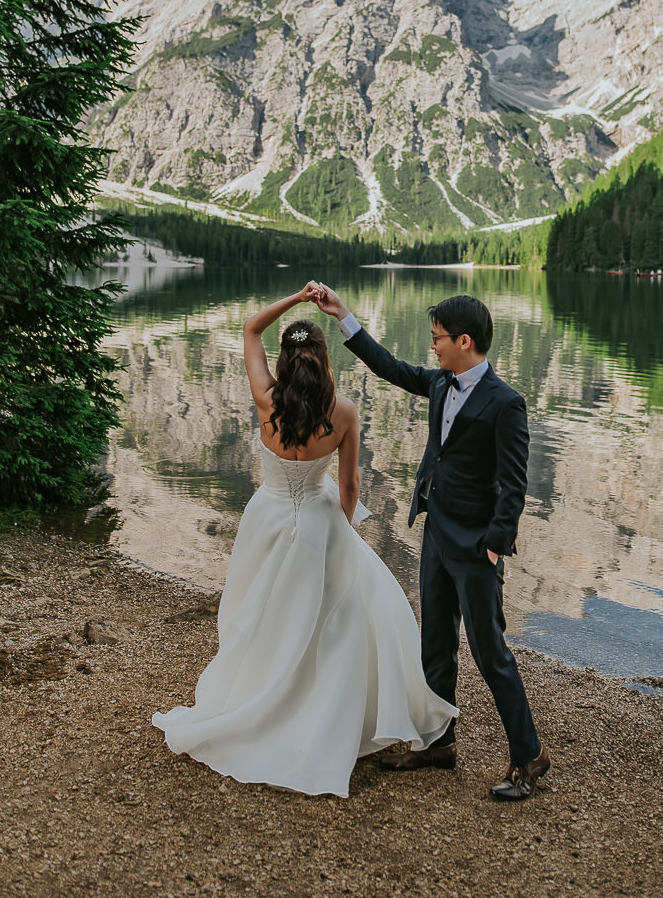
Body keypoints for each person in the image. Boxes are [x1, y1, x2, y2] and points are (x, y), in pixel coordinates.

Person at [152, 283, 457, 798]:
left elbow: (250, 328)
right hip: (318, 519)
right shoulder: (343, 412)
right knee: (333, 621)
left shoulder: (264, 396)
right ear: (321, 360)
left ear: (286, 359)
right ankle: (327, 709)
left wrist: (295, 300)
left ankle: (261, 697)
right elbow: (350, 486)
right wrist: (340, 528)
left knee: (266, 616)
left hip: (267, 517)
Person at [315, 286, 550, 801]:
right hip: (437, 534)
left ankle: (528, 755)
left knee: (491, 654)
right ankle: (439, 742)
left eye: (439, 338)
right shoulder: (442, 384)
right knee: (435, 646)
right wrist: (344, 318)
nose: (433, 347)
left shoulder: (506, 403)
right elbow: (391, 368)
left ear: (465, 341)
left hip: (476, 549)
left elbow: (514, 486)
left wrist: (493, 546)